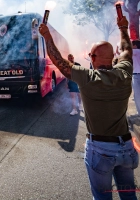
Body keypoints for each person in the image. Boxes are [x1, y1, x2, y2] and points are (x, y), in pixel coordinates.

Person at [39, 16, 138, 199]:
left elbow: (58, 61)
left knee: (101, 197)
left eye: (91, 55)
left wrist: (46, 36)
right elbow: (126, 49)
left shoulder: (88, 78)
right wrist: (123, 28)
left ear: (92, 57)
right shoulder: (125, 73)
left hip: (100, 149)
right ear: (113, 57)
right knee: (129, 195)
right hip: (126, 148)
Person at [132, 39, 140, 116]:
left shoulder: (134, 52)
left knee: (137, 95)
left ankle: (139, 112)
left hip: (136, 76)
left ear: (135, 45)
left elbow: (120, 53)